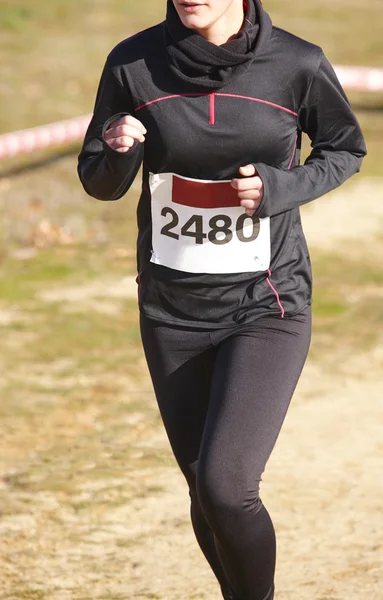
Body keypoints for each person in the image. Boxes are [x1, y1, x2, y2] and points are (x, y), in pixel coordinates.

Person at [78, 1, 367, 598]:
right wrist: (118, 148)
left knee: (226, 485)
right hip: (171, 309)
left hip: (267, 303)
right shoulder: (132, 63)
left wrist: (280, 187)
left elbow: (344, 150)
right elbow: (100, 182)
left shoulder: (297, 63)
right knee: (204, 494)